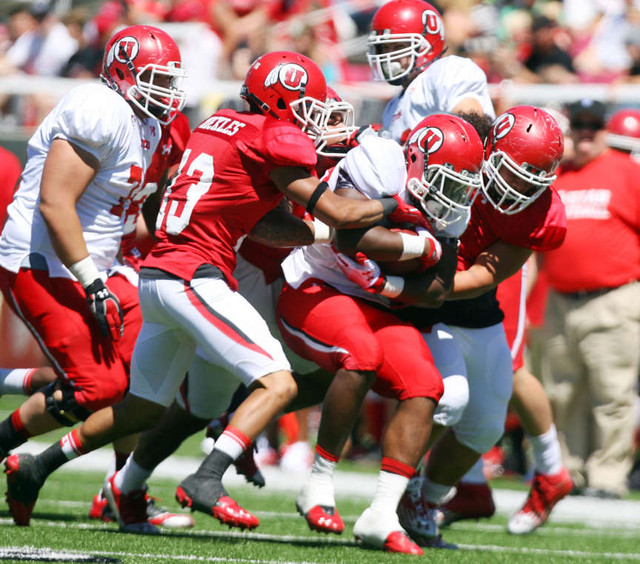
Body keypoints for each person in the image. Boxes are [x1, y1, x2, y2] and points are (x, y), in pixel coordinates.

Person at [3, 50, 422, 530]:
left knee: (140, 407)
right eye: (306, 103)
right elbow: (342, 213)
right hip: (195, 276)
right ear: (280, 101)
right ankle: (208, 475)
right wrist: (396, 201)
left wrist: (322, 235)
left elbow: (260, 224)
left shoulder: (221, 124)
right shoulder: (274, 136)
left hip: (158, 274)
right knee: (279, 382)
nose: (315, 116)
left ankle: (36, 466)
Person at [0, 23, 187, 526]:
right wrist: (94, 282)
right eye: (157, 79)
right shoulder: (99, 109)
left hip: (106, 263)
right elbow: (56, 204)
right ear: (123, 73)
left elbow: (137, 218)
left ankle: (121, 491)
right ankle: (10, 449)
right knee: (99, 387)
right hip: (45, 259)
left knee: (147, 377)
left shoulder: (153, 123)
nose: (168, 92)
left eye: (172, 81)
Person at [277, 113, 484, 554]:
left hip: (373, 301)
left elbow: (439, 288)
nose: (452, 196)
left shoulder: (451, 204)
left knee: (429, 385)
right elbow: (352, 237)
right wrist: (420, 245)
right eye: (445, 181)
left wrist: (389, 285)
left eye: (460, 185)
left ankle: (382, 514)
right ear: (418, 160)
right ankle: (317, 484)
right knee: (363, 354)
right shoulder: (382, 159)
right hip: (318, 284)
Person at [392, 106, 568, 546]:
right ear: (488, 152)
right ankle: (398, 486)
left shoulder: (539, 209)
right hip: (431, 313)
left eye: (534, 178)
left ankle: (425, 500)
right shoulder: (456, 156)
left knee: (486, 425)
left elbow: (485, 276)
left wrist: (416, 286)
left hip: (466, 302)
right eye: (514, 171)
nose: (522, 187)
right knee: (449, 400)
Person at [541, 98, 640, 499]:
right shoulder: (556, 174)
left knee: (612, 393)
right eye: (577, 124)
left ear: (604, 130)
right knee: (562, 395)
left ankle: (607, 477)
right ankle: (572, 472)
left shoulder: (626, 172)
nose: (584, 132)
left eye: (592, 125)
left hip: (613, 297)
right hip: (560, 299)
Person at [366, 0, 495, 144]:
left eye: (398, 46)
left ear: (426, 46)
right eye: (384, 48)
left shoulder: (447, 70)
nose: (390, 56)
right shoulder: (393, 106)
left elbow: (473, 134)